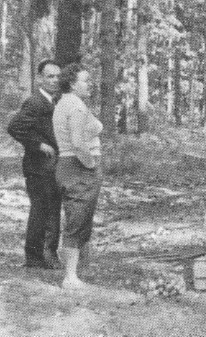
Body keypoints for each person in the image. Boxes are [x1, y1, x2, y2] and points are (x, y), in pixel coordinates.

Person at [7, 59, 63, 269]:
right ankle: (39, 257)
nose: (55, 80)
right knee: (43, 210)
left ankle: (40, 256)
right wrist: (38, 145)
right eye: (50, 76)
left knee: (49, 209)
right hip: (39, 167)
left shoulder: (54, 101)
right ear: (40, 78)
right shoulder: (36, 101)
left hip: (51, 166)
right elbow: (14, 126)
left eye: (57, 76)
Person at [53, 63, 103, 289]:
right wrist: (91, 164)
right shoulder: (75, 106)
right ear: (72, 84)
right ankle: (70, 277)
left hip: (69, 165)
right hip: (78, 166)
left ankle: (78, 270)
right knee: (76, 219)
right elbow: (77, 142)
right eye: (85, 80)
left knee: (78, 216)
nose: (89, 83)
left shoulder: (65, 102)